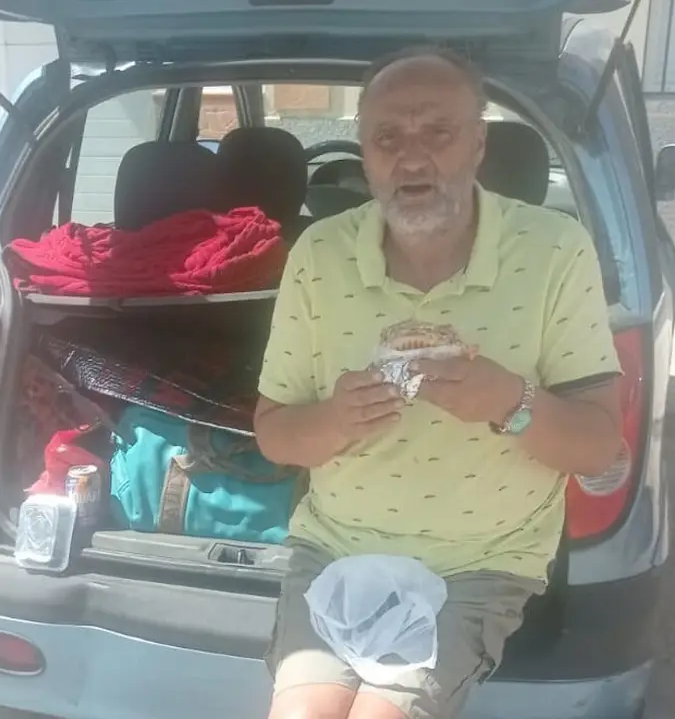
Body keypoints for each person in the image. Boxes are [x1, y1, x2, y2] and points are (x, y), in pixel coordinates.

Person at [254, 46, 625, 719]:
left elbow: (600, 449)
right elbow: (275, 435)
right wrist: (334, 421)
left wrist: (512, 402)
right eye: (388, 137)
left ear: (479, 142)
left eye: (439, 132)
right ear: (363, 152)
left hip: (480, 561)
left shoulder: (554, 250)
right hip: (337, 547)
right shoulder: (320, 254)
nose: (412, 157)